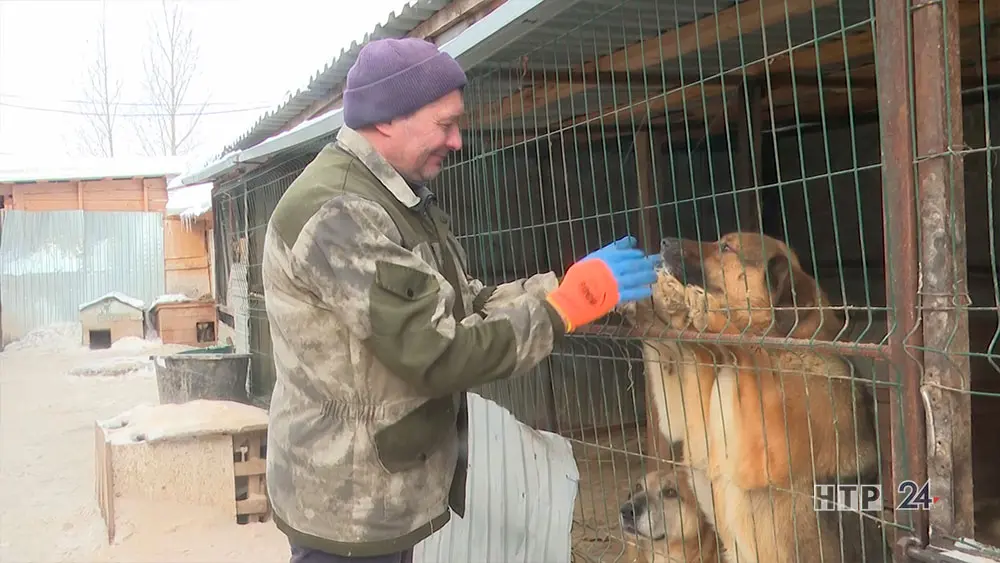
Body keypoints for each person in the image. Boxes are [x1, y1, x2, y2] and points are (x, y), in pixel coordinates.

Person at [261, 37, 662, 563]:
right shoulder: (340, 213)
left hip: (379, 490)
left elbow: (458, 302)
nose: (456, 140)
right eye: (444, 123)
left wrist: (558, 289)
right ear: (386, 120)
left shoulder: (395, 197)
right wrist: (561, 311)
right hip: (347, 502)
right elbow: (437, 352)